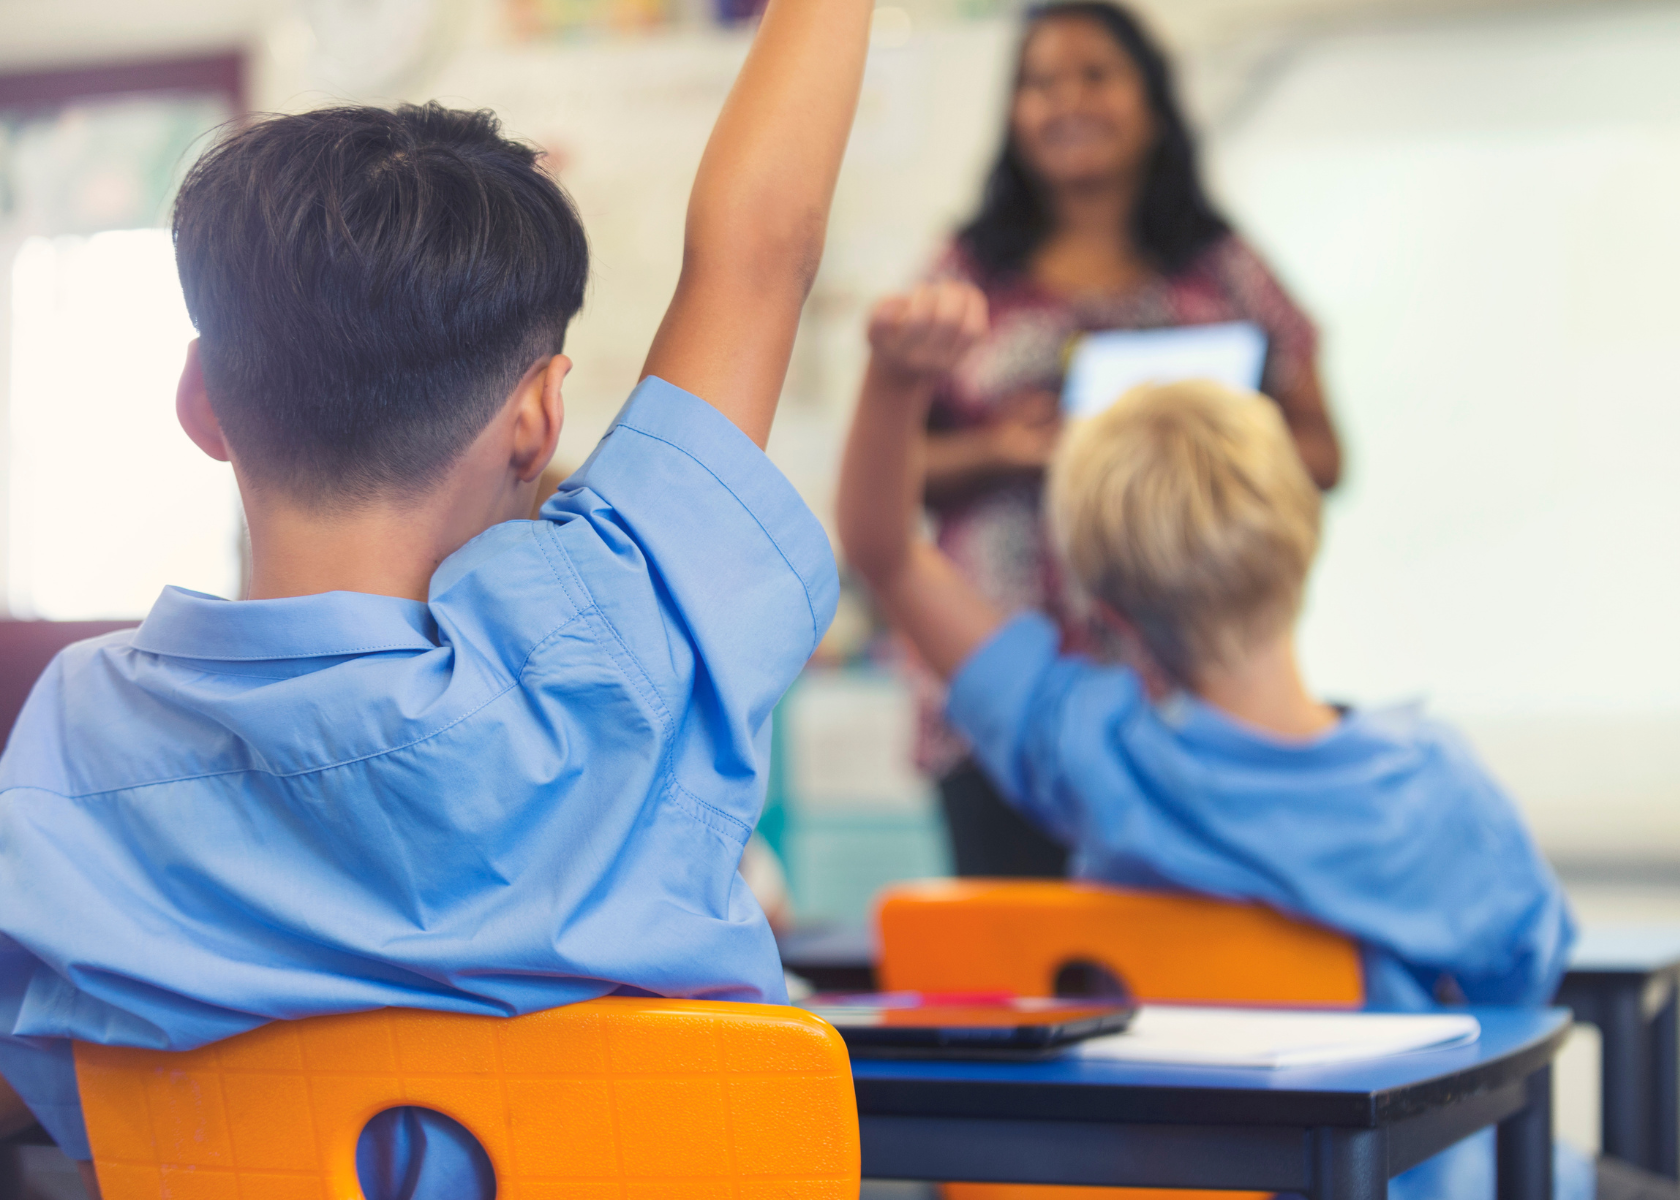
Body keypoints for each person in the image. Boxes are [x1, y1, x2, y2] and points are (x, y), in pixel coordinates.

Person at [0, 0, 872, 1192]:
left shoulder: (71, 741)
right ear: (540, 414)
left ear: (201, 400)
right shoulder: (624, 637)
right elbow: (761, 248)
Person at [837, 280, 1587, 1200]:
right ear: (1307, 539)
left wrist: (893, 378)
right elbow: (1525, 983)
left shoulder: (1090, 753)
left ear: (1108, 610)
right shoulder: (1435, 791)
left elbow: (885, 551)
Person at [915, 0, 1341, 878]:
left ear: (1151, 102)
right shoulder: (965, 271)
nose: (1067, 100)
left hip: (1188, 686)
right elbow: (893, 470)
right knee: (1014, 976)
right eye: (1039, 83)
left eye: (1095, 75)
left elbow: (1326, 456)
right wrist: (999, 450)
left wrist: (1206, 435)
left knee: (1188, 968)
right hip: (999, 687)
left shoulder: (1223, 268)